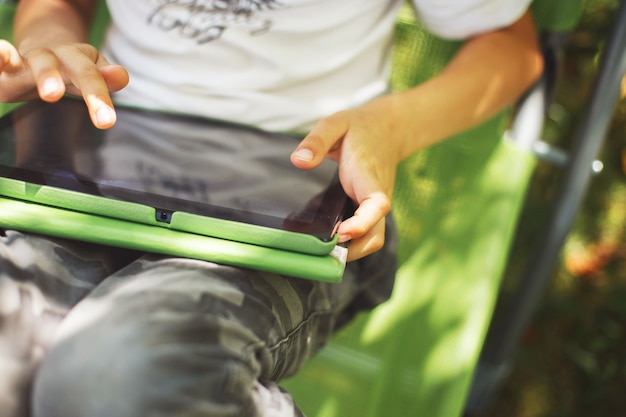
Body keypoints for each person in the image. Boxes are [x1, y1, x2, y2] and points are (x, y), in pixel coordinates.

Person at [0, 1, 543, 416]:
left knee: (119, 373)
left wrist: (390, 128)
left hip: (302, 206)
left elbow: (510, 45)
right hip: (95, 171)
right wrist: (48, 42)